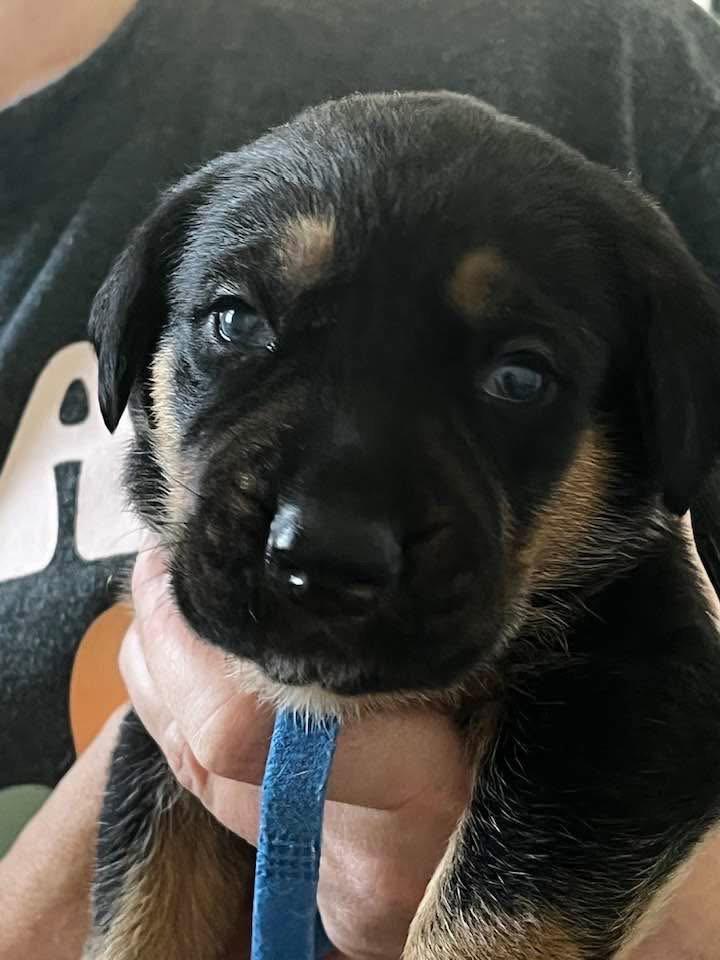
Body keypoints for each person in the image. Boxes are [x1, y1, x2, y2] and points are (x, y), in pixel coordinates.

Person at [1, 0, 720, 957]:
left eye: (517, 378)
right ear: (138, 352)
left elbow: (653, 705)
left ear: (652, 420)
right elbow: (168, 758)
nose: (332, 525)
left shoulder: (614, 48)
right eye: (237, 325)